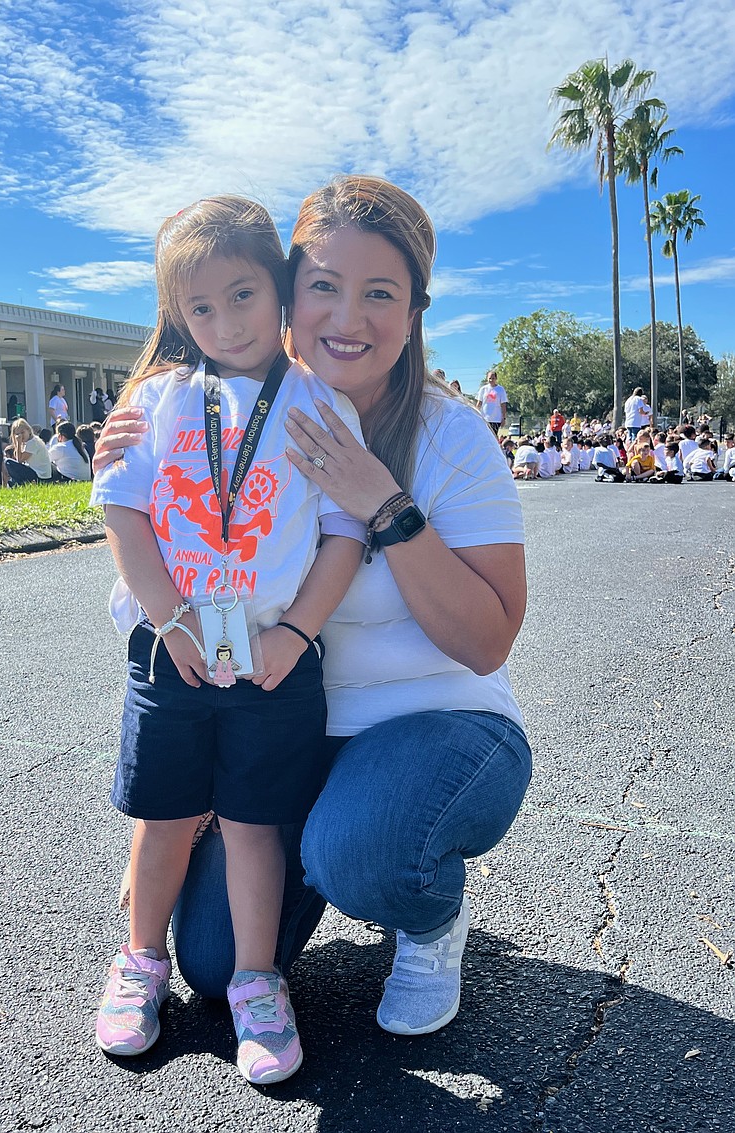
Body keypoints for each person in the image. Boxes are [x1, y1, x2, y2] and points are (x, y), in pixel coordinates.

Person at [94, 176, 531, 1055]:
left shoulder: (451, 435)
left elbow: (487, 641)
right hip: (278, 719)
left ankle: (427, 914)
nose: (349, 316)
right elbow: (158, 555)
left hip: (433, 724)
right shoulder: (206, 407)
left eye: (381, 293)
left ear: (415, 312)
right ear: (291, 292)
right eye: (325, 285)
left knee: (359, 847)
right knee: (211, 960)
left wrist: (385, 506)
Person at [89, 195, 366, 1083]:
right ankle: (139, 959)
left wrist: (298, 631)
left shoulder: (319, 403)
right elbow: (124, 513)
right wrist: (169, 617)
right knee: (164, 816)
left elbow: (344, 533)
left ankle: (257, 979)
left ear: (280, 288)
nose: (225, 322)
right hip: (171, 649)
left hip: (274, 657)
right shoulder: (158, 400)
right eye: (200, 307)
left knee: (254, 824)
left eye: (243, 295)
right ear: (178, 314)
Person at [6, 419, 53, 486]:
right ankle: (14, 483)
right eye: (17, 434)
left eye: (22, 432)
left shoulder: (32, 442)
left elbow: (19, 460)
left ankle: (18, 484)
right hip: (40, 473)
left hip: (40, 475)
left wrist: (18, 443)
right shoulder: (31, 441)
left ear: (28, 430)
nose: (21, 436)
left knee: (8, 462)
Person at [475, 370, 507, 435]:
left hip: (496, 419)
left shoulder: (500, 389)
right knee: (484, 435)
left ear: (496, 378)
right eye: (489, 378)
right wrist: (475, 414)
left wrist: (503, 418)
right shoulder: (483, 389)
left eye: (493, 378)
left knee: (493, 436)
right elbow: (479, 403)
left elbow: (503, 405)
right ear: (487, 378)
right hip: (484, 418)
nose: (491, 380)